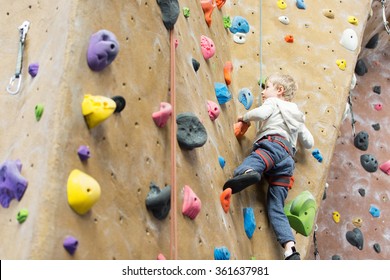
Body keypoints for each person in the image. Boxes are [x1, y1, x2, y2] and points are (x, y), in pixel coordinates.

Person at [222, 73, 314, 260]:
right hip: (288, 160)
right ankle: (290, 248)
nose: (263, 92)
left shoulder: (273, 103)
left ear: (279, 91)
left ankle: (249, 172)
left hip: (273, 145)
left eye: (267, 87)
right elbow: (309, 142)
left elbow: (261, 114)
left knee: (256, 160)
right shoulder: (297, 115)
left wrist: (245, 117)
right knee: (276, 206)